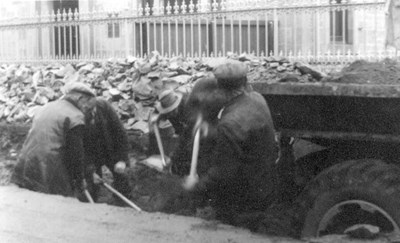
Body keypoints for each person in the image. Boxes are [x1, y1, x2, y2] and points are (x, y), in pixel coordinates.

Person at [183, 60, 279, 224]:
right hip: (265, 184)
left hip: (244, 199)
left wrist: (195, 186)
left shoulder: (230, 123)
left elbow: (223, 173)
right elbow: (246, 137)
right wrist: (212, 131)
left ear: (220, 89)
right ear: (245, 82)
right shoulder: (257, 99)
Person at [11, 82, 97, 198]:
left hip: (26, 163)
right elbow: (75, 153)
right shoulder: (76, 116)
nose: (86, 111)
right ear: (80, 98)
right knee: (60, 204)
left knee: (31, 202)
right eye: (87, 107)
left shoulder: (47, 106)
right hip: (50, 167)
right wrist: (80, 180)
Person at [83, 98, 131, 201]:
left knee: (122, 177)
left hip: (109, 148)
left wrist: (122, 159)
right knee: (91, 185)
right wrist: (89, 172)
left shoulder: (104, 106)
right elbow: (78, 149)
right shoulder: (76, 116)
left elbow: (120, 132)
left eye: (93, 111)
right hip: (91, 153)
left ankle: (123, 205)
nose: (92, 114)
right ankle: (91, 208)